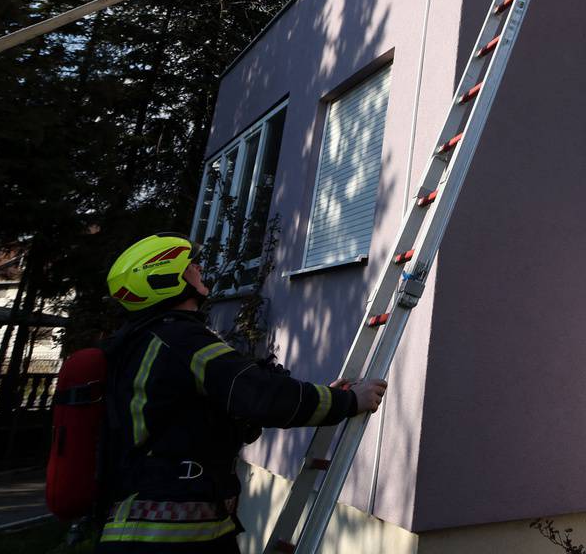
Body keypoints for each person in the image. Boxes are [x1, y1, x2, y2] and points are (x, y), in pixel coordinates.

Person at [97, 233, 387, 551]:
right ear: (164, 279)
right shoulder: (181, 341)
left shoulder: (151, 342)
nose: (199, 267)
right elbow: (262, 396)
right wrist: (348, 401)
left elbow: (198, 420)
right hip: (165, 538)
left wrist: (317, 397)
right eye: (190, 264)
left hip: (168, 527)